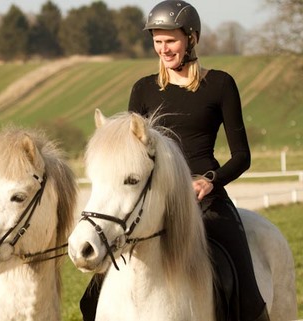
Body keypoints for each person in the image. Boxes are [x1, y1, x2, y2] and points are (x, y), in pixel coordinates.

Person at [80, 1, 269, 320]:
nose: (164, 49)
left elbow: (242, 156)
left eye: (171, 40)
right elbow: (132, 151)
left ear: (191, 39)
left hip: (205, 199)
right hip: (153, 199)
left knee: (246, 291)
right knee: (90, 299)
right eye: (158, 41)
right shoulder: (143, 89)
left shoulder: (220, 84)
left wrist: (209, 181)